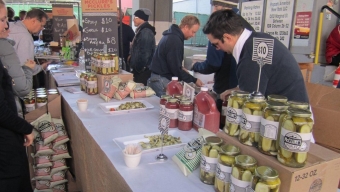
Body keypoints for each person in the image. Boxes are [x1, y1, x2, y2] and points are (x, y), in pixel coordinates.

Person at [203, 10, 309, 102]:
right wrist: (237, 90)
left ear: (227, 37)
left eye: (216, 44)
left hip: (289, 116)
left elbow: (251, 106)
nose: (217, 48)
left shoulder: (250, 57)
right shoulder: (258, 40)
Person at [192, 0, 254, 116]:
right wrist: (237, 89)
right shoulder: (245, 28)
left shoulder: (219, 28)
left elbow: (214, 63)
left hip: (230, 95)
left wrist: (196, 66)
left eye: (215, 7)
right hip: (237, 94)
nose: (217, 48)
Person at [0, 2, 35, 191]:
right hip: (5, 147)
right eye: (2, 20)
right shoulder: (4, 49)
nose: (7, 25)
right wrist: (25, 127)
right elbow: (2, 110)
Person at [148, 15, 204, 97]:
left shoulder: (171, 36)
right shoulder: (175, 40)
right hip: (162, 80)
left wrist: (180, 68)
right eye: (193, 32)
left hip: (157, 78)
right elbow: (176, 70)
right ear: (186, 27)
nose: (193, 35)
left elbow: (171, 62)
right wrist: (194, 80)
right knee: (170, 107)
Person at [0, 23, 36, 118]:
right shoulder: (4, 47)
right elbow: (22, 88)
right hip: (9, 113)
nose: (7, 26)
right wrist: (28, 69)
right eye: (2, 20)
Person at [8, 9, 49, 87]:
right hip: (14, 83)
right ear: (34, 21)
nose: (42, 28)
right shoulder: (25, 37)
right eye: (42, 25)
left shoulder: (11, 26)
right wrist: (41, 67)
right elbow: (26, 67)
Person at [129, 8, 156, 85]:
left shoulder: (145, 32)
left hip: (142, 72)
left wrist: (139, 69)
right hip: (140, 70)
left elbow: (145, 54)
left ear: (142, 18)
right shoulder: (141, 30)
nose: (133, 19)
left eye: (136, 17)